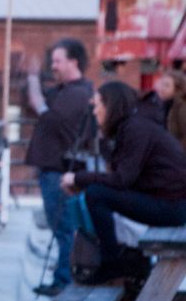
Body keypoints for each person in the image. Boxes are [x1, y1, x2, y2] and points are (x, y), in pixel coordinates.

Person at [61, 81, 186, 284]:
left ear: (111, 105)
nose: (94, 111)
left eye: (98, 105)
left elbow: (122, 179)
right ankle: (128, 259)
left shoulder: (136, 128)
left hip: (172, 208)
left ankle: (113, 262)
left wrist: (77, 178)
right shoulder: (134, 125)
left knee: (96, 194)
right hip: (169, 203)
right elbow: (126, 178)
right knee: (98, 193)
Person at [25, 38, 94, 296]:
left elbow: (45, 113)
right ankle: (64, 278)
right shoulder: (68, 91)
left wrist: (33, 79)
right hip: (58, 168)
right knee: (64, 227)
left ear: (73, 62)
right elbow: (35, 106)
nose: (53, 66)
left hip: (59, 170)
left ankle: (64, 281)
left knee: (64, 227)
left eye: (57, 61)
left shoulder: (76, 94)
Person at [153, 69, 186, 150]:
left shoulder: (181, 107)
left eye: (167, 85)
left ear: (177, 89)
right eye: (162, 84)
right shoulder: (163, 104)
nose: (162, 88)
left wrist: (177, 152)